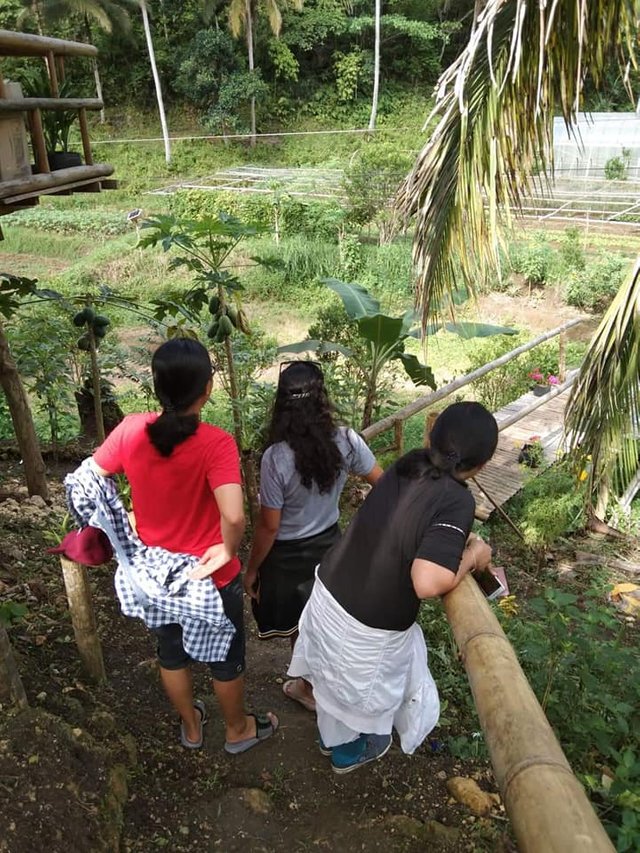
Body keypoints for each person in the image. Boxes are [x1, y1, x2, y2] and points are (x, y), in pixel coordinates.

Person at [288, 401, 498, 774]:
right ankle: (346, 752)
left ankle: (329, 738)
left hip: (329, 591)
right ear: (483, 464)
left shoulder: (412, 462)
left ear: (431, 436)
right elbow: (427, 581)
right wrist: (474, 557)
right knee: (362, 691)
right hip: (364, 625)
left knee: (335, 681)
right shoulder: (457, 500)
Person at [90, 338, 277, 753]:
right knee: (224, 657)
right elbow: (233, 515)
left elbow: (93, 475)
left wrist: (125, 521)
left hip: (154, 574)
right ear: (207, 388)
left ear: (157, 386)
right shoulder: (215, 443)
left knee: (170, 653)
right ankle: (237, 730)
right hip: (209, 576)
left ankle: (191, 727)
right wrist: (228, 550)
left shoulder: (130, 430)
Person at [244, 361, 382, 712]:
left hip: (287, 557)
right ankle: (325, 687)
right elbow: (384, 483)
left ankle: (307, 688)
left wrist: (251, 569)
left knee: (298, 628)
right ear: (323, 399)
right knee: (326, 621)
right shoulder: (347, 441)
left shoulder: (275, 458)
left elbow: (270, 525)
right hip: (330, 547)